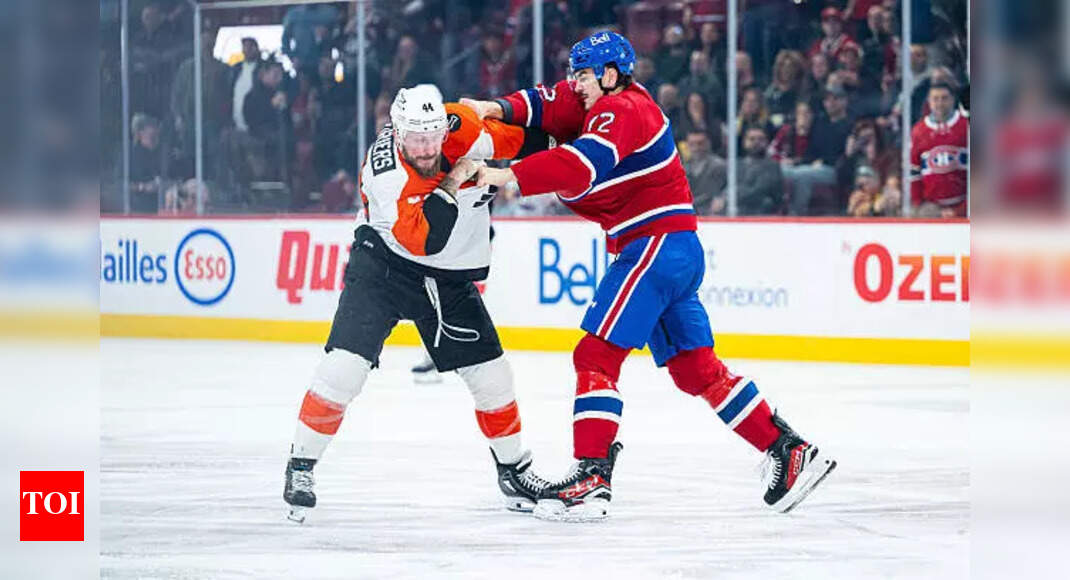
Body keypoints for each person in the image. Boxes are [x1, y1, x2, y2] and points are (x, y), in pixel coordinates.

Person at [466, 31, 835, 521]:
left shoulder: (622, 112)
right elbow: (545, 100)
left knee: (594, 356)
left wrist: (505, 175)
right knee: (695, 370)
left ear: (610, 75)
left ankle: (592, 477)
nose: (573, 83)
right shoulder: (599, 100)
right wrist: (493, 108)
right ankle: (787, 450)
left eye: (582, 74)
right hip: (673, 248)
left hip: (653, 246)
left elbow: (581, 166)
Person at [282, 85, 554, 523]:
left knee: (493, 377)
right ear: (398, 131)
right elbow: (428, 239)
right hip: (384, 266)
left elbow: (511, 139)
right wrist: (458, 175)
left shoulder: (455, 126)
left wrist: (568, 144)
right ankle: (300, 466)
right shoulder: (387, 176)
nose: (426, 148)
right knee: (343, 369)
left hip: (446, 276)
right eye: (416, 139)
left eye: (432, 137)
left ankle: (514, 471)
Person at [909, 83, 969, 217]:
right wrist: (919, 203)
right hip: (931, 208)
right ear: (929, 102)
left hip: (964, 205)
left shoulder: (966, 126)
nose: (940, 103)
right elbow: (914, 172)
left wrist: (963, 208)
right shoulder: (919, 131)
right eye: (935, 99)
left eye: (944, 98)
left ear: (953, 100)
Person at [738, 127, 784, 215]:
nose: (756, 142)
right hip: (734, 214)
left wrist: (733, 196)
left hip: (761, 215)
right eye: (752, 139)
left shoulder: (772, 166)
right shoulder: (737, 164)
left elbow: (761, 190)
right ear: (744, 142)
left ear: (767, 142)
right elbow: (727, 187)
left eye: (760, 139)